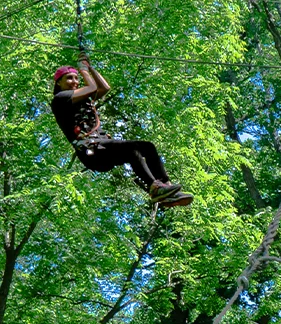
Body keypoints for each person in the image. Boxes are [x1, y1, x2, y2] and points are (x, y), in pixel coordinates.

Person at [51, 52, 193, 208]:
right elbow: (92, 88)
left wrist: (90, 67)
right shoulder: (61, 99)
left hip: (102, 146)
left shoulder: (81, 99)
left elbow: (104, 88)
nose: (74, 81)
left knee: (145, 148)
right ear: (58, 83)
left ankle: (165, 189)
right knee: (133, 148)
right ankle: (155, 188)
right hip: (92, 151)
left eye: (76, 78)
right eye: (69, 78)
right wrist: (83, 70)